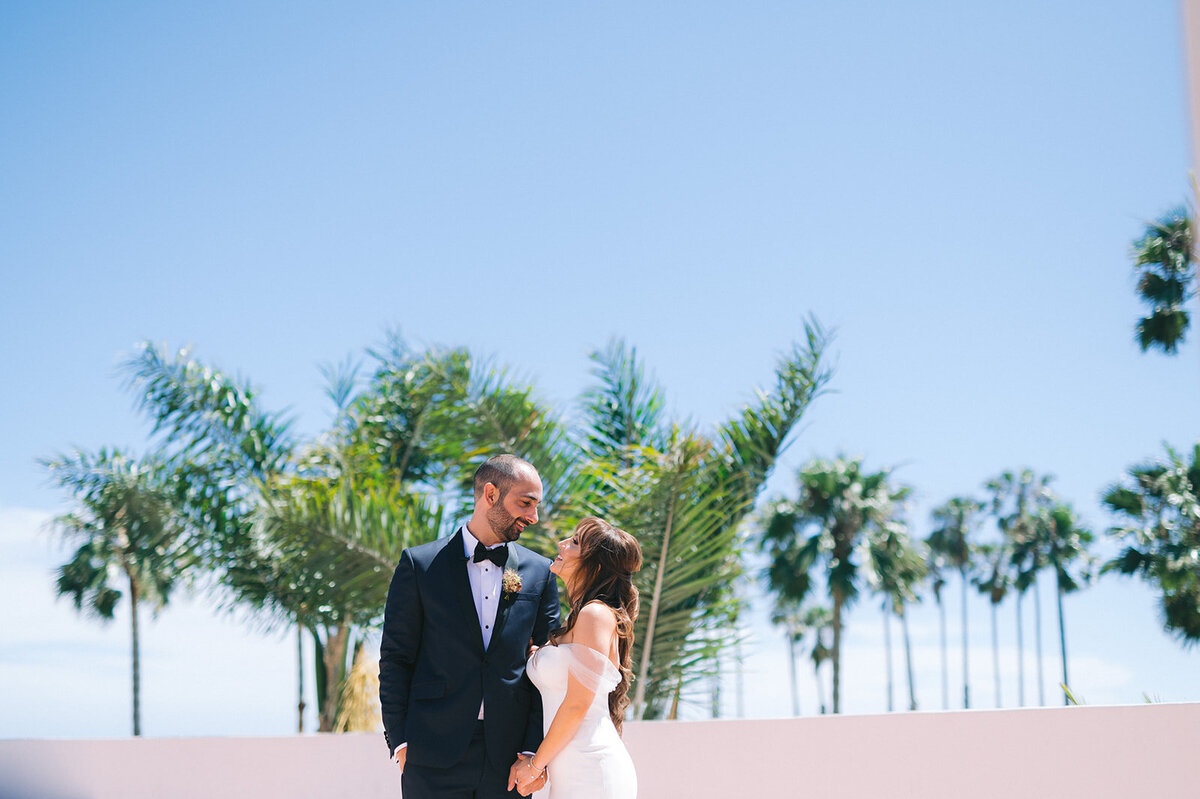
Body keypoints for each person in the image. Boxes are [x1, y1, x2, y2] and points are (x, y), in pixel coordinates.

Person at [379, 454, 561, 799]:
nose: (533, 517)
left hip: (508, 760)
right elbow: (395, 659)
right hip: (430, 753)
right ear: (490, 494)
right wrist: (400, 740)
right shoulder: (419, 565)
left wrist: (532, 751)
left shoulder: (540, 572)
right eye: (526, 503)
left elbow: (548, 663)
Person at [513, 516, 642, 798]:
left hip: (591, 769)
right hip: (571, 769)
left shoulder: (594, 614)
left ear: (594, 565)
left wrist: (535, 765)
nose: (561, 544)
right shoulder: (579, 617)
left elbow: (578, 703)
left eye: (574, 542)